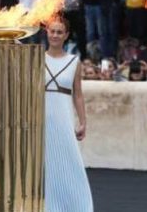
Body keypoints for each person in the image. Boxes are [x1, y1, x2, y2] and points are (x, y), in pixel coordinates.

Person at [44, 17, 93, 212]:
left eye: (59, 32)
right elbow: (13, 42)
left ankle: (77, 206)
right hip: (42, 117)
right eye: (52, 31)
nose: (55, 35)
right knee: (45, 164)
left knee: (69, 162)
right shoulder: (36, 57)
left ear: (65, 35)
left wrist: (83, 122)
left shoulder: (73, 61)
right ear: (47, 32)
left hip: (63, 117)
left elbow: (78, 95)